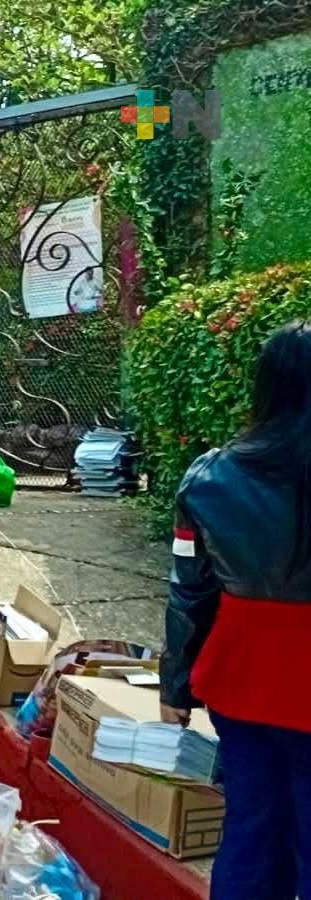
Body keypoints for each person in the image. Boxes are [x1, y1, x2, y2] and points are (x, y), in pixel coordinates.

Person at [160, 321, 311, 900]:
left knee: (250, 830)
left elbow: (189, 592)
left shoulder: (210, 476)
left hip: (242, 680)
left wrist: (175, 687)